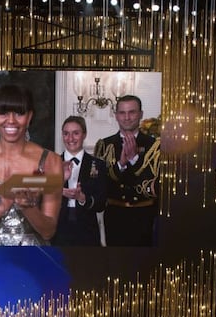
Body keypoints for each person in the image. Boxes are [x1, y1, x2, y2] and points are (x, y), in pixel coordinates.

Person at [0, 83, 63, 245]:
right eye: (3, 113)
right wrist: (1, 208)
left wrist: (27, 207)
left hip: (32, 262)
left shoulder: (51, 162)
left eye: (19, 113)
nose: (11, 120)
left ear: (29, 117)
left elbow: (48, 231)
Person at [94, 94, 160, 246]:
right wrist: (121, 164)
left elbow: (155, 186)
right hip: (114, 217)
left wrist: (134, 160)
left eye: (132, 112)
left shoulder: (155, 146)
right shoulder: (104, 145)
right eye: (122, 113)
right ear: (116, 116)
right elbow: (101, 185)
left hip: (144, 216)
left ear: (141, 114)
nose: (127, 117)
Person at [52, 115, 107, 246]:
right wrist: (59, 190)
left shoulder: (98, 165)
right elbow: (40, 198)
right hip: (58, 228)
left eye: (75, 133)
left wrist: (82, 198)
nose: (70, 138)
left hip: (87, 230)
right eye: (66, 134)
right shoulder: (51, 163)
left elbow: (101, 204)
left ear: (84, 134)